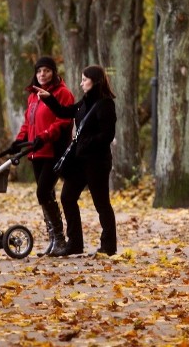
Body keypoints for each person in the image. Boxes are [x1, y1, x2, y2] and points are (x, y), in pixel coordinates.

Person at [34, 65, 117, 257]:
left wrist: (85, 142)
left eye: (84, 80)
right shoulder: (84, 103)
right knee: (67, 197)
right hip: (80, 162)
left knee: (101, 203)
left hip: (97, 162)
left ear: (94, 81)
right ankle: (75, 243)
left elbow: (107, 135)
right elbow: (64, 112)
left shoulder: (105, 104)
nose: (81, 83)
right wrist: (50, 99)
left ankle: (108, 246)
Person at [9, 56, 75, 256]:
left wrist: (45, 136)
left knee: (42, 192)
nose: (42, 74)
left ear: (54, 72)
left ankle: (60, 239)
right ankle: (54, 240)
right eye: (39, 71)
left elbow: (63, 121)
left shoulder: (62, 93)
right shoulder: (33, 96)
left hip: (54, 150)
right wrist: (20, 140)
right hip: (37, 152)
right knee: (46, 195)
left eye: (46, 71)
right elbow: (28, 123)